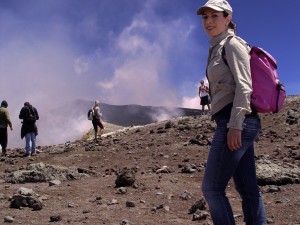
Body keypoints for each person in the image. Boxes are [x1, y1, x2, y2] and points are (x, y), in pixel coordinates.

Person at [196, 0, 267, 224]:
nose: (208, 21)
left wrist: (235, 124)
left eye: (214, 16)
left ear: (227, 19)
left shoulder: (232, 44)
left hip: (236, 121)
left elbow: (244, 86)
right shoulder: (217, 48)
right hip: (238, 121)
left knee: (212, 188)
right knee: (247, 187)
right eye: (205, 17)